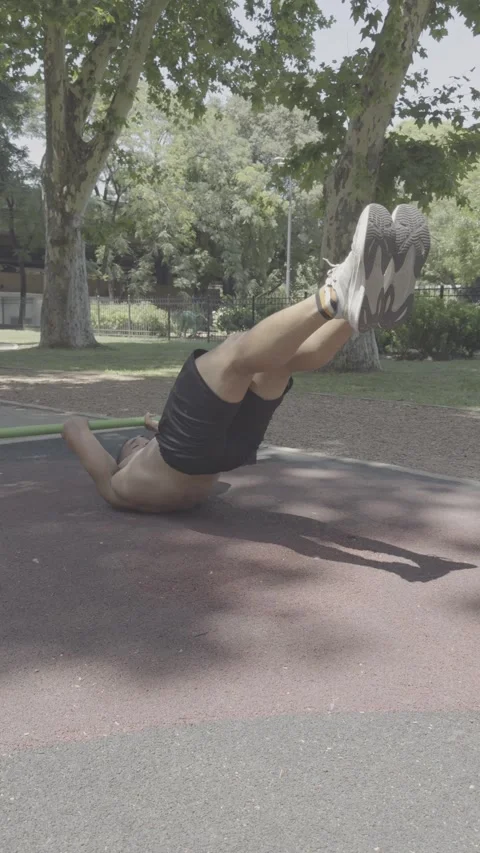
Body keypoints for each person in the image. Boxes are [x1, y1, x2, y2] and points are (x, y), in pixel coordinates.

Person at [63, 203, 430, 513]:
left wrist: (155, 428)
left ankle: (355, 315)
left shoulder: (142, 485)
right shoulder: (115, 483)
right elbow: (73, 427)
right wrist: (90, 428)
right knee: (234, 354)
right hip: (189, 455)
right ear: (122, 458)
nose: (137, 443)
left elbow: (197, 438)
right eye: (131, 445)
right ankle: (335, 294)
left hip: (226, 456)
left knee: (278, 363)